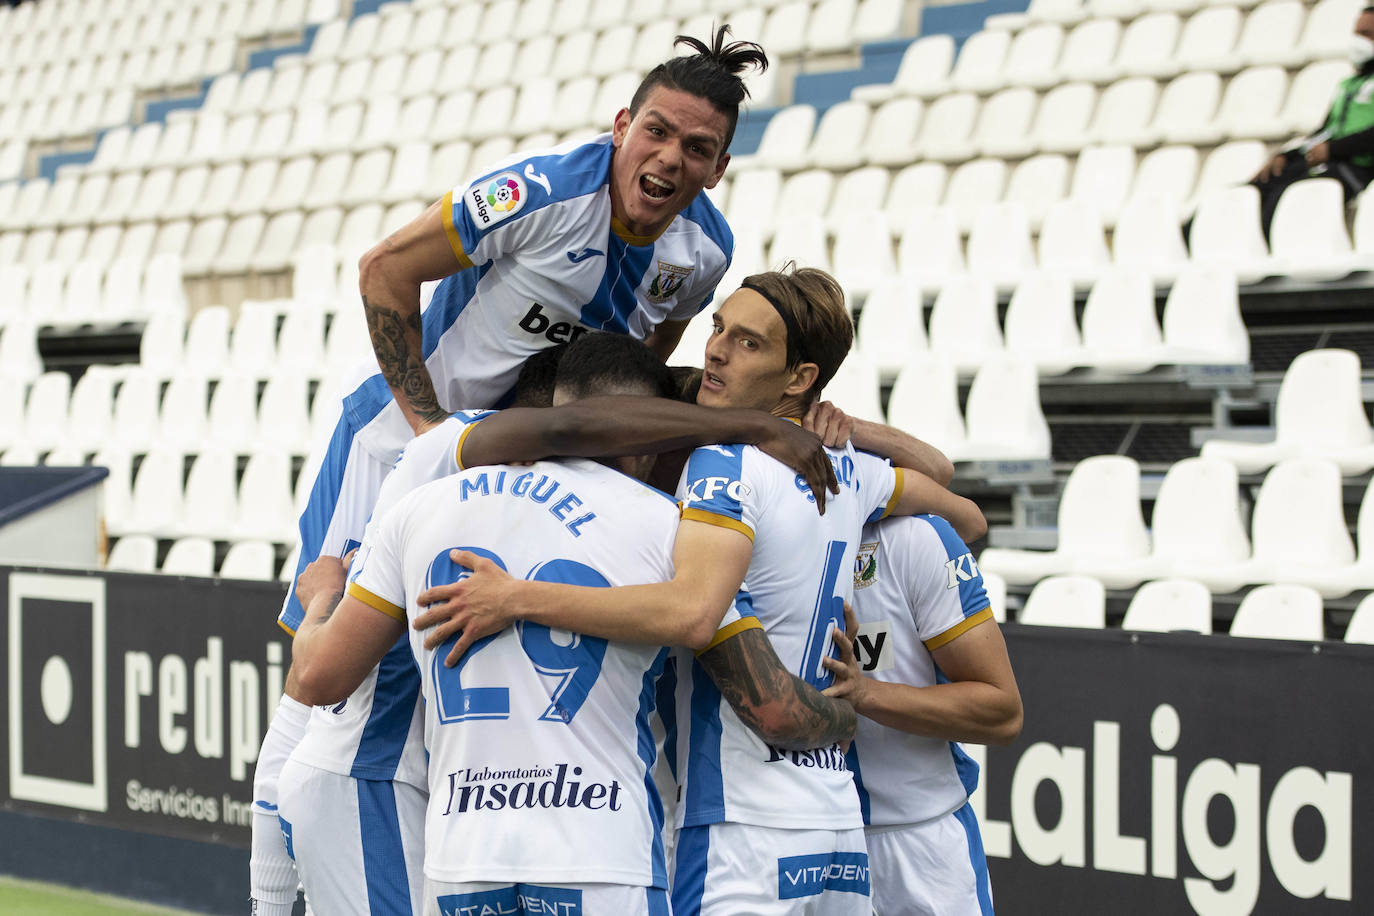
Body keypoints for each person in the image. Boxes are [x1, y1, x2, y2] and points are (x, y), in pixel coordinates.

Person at [251, 27, 769, 911]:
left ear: (717, 169)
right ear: (621, 126)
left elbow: (626, 374)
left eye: (697, 148)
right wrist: (431, 438)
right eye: (656, 131)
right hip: (394, 451)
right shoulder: (540, 193)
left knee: (445, 689)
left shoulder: (702, 256)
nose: (669, 158)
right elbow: (383, 270)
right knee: (322, 696)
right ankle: (270, 893)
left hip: (514, 468)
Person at [416, 266, 986, 915]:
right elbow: (964, 515)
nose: (714, 348)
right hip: (836, 825)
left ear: (799, 376)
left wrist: (516, 597)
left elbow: (692, 612)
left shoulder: (718, 462)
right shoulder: (849, 472)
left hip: (738, 825)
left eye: (747, 343)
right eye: (718, 328)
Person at [285, 333, 850, 916]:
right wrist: (850, 710)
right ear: (652, 435)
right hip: (602, 859)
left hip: (463, 860)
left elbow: (316, 679)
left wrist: (323, 594)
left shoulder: (421, 506)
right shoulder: (670, 531)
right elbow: (773, 707)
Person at [820, 514, 1022, 916]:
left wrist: (866, 693)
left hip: (921, 844)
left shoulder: (915, 537)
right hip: (803, 840)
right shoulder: (766, 526)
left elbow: (1003, 714)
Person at [1251, 7, 1374, 237]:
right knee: (1258, 185)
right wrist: (1287, 156)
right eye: (1357, 34)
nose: (1359, 42)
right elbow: (1327, 131)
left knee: (1288, 195)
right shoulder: (1348, 84)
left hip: (1358, 169)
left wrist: (1334, 149)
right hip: (1333, 161)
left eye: (1367, 34)